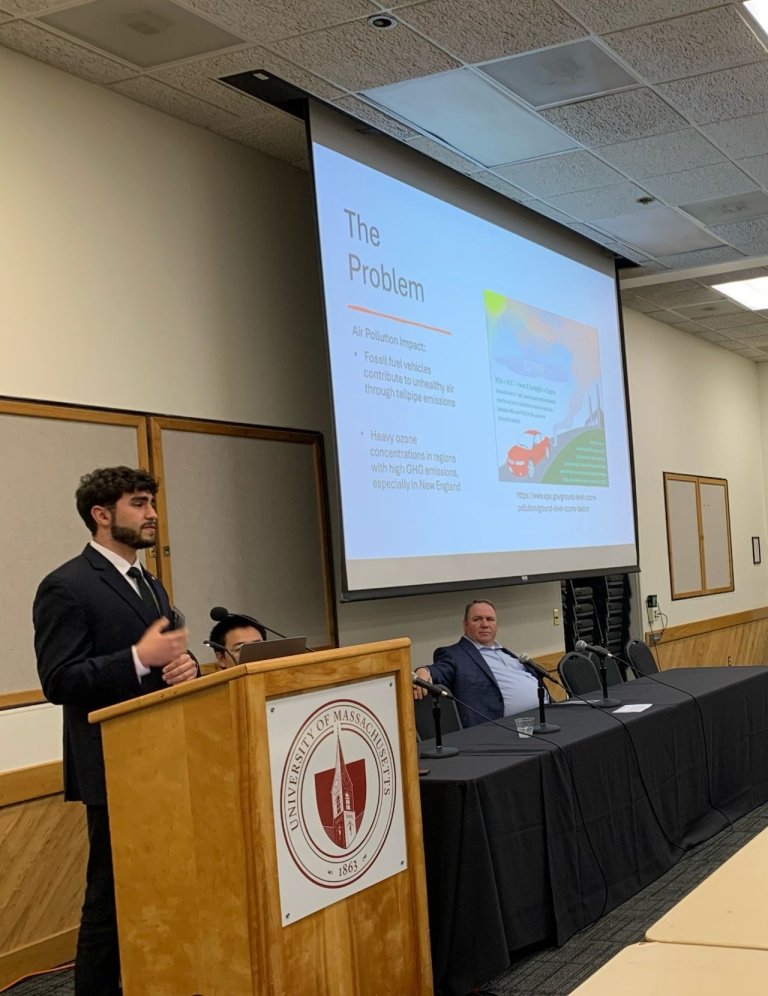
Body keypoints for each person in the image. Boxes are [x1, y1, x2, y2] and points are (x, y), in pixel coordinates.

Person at [33, 466, 198, 996]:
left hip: (167, 759)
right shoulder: (66, 585)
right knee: (109, 898)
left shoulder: (150, 583)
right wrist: (137, 658)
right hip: (113, 766)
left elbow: (167, 654)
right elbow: (59, 680)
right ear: (101, 516)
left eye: (151, 504)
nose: (152, 514)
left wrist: (185, 664)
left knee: (162, 891)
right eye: (139, 504)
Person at [413, 598, 540, 729]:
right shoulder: (454, 654)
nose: (485, 624)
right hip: (501, 729)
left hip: (544, 715)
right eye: (477, 619)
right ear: (465, 625)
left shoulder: (505, 653)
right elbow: (439, 670)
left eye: (490, 619)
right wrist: (424, 671)